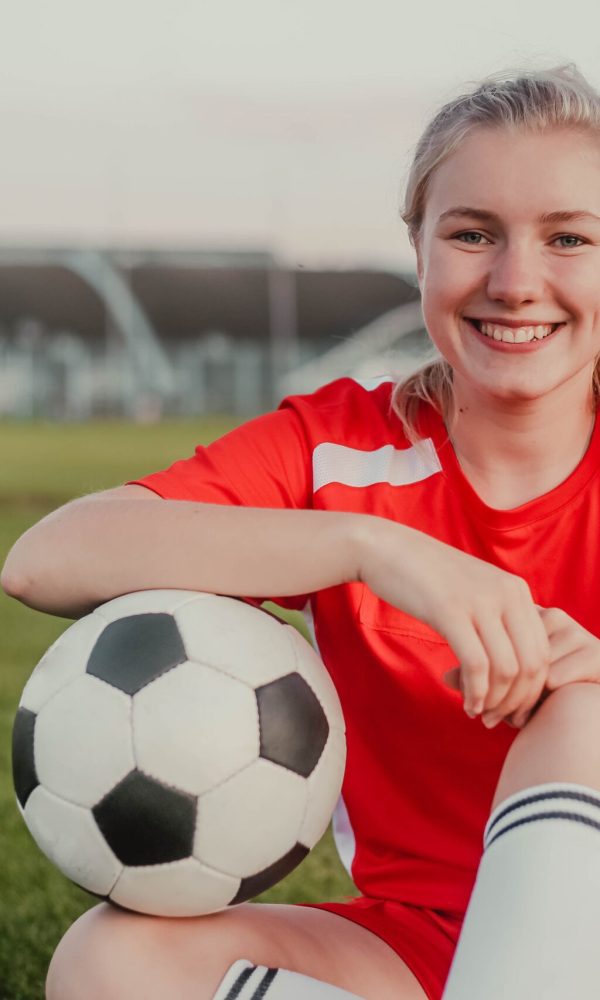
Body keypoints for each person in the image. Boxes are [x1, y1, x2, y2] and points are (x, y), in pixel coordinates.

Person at [3, 62, 600, 1000]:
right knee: (108, 964)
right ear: (420, 250)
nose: (516, 281)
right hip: (415, 942)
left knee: (583, 709)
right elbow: (47, 560)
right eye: (472, 233)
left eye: (569, 237)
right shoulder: (339, 450)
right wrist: (377, 548)